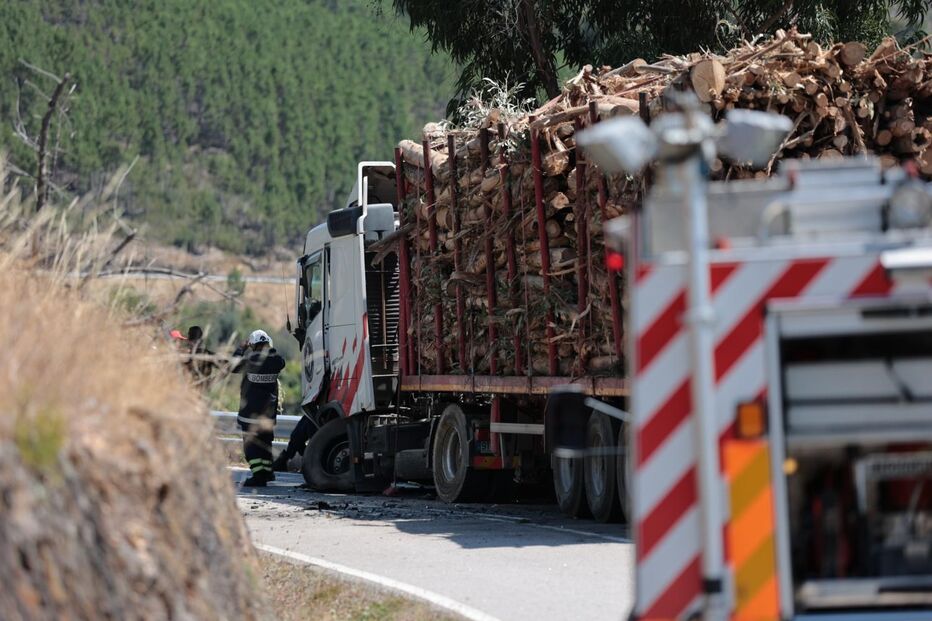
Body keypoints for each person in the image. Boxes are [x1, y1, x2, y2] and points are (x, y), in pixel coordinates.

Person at [232, 329, 285, 487]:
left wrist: (241, 349)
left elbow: (233, 366)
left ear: (252, 345)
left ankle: (258, 476)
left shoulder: (249, 359)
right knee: (266, 444)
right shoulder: (276, 361)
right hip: (268, 415)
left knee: (252, 448)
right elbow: (280, 360)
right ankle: (268, 473)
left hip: (250, 415)